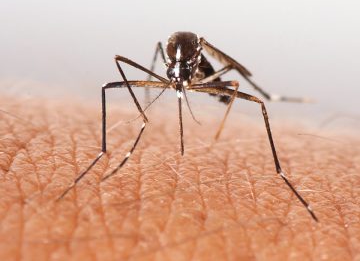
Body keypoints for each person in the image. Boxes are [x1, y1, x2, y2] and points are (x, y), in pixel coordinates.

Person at [0, 95, 358, 261]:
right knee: (115, 77)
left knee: (258, 102)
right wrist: (143, 118)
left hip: (206, 72)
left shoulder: (198, 63)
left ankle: (280, 172)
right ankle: (107, 153)